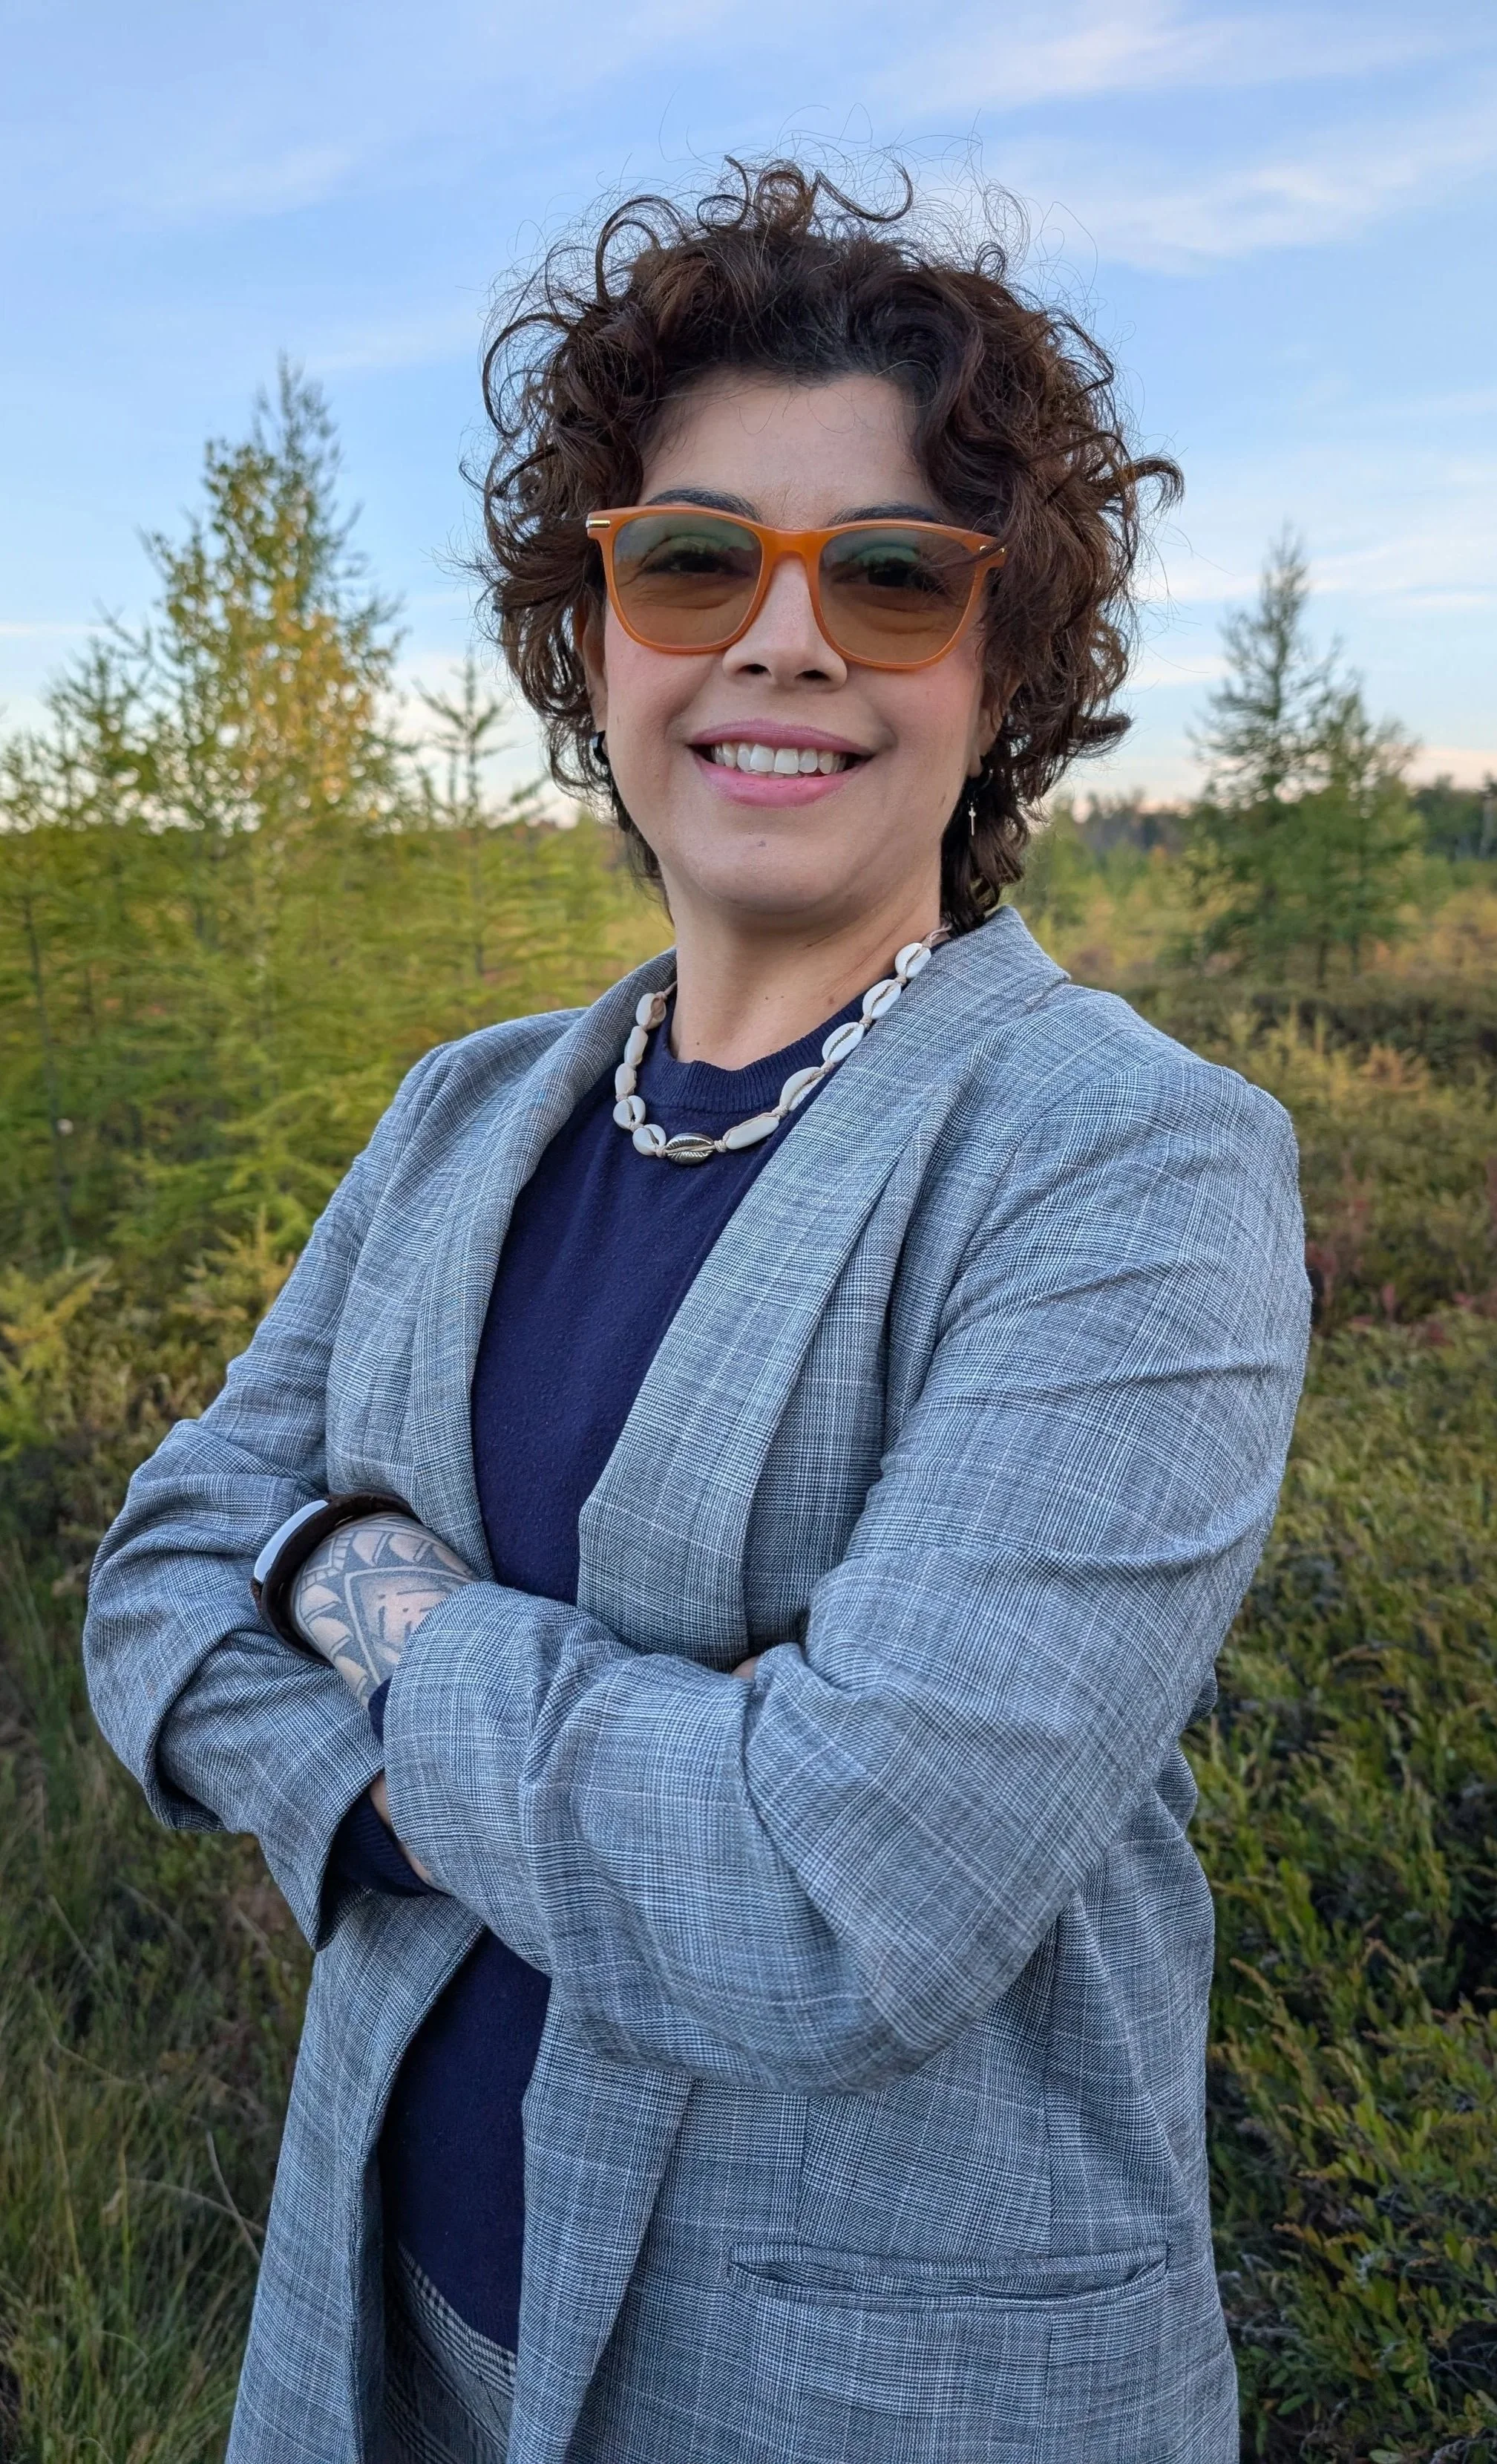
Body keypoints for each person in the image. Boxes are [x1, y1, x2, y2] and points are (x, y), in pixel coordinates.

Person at [83, 160, 1310, 2464]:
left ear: (1005, 655)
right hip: (393, 2339)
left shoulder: (1129, 1169)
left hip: (874, 2399)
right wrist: (511, 1774)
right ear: (602, 629)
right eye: (690, 559)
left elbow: (833, 1907)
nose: (783, 639)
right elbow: (159, 1572)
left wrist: (369, 1595)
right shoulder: (466, 1116)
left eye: (888, 576)